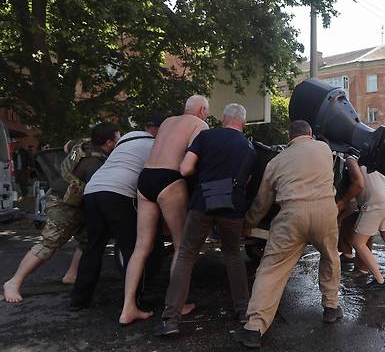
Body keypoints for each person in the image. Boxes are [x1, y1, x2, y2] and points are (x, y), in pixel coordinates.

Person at [236, 120, 341, 348]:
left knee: (272, 269)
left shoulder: (275, 162)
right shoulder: (324, 149)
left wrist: (249, 222)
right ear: (310, 134)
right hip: (325, 211)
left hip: (291, 215)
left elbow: (263, 201)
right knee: (330, 257)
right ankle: (331, 307)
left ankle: (254, 328)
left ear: (289, 138)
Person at [156, 104, 256, 336]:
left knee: (186, 255)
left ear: (223, 118)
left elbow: (185, 168)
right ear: (243, 121)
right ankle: (243, 311)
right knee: (233, 254)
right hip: (233, 207)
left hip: (202, 203)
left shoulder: (205, 136)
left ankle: (171, 319)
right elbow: (248, 181)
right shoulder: (249, 147)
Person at [2, 123, 120, 303]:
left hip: (73, 201)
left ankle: (72, 274)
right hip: (63, 204)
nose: (120, 140)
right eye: (118, 137)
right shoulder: (95, 164)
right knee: (50, 243)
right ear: (109, 142)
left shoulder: (83, 145)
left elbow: (67, 146)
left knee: (87, 239)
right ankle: (13, 282)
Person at [119, 95, 209, 325]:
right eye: (206, 111)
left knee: (142, 246)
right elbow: (192, 163)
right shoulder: (200, 125)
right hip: (170, 179)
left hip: (145, 178)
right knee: (181, 245)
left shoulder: (168, 122)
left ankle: (128, 306)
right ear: (201, 110)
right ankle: (178, 304)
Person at [69, 116, 164, 310]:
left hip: (93, 190)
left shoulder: (126, 139)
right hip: (118, 193)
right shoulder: (156, 145)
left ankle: (79, 299)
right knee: (134, 247)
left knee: (94, 246)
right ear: (160, 131)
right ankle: (137, 299)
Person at [350, 164, 385, 289]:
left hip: (374, 203)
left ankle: (379, 280)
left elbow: (358, 184)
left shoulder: (351, 160)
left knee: (358, 243)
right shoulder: (372, 161)